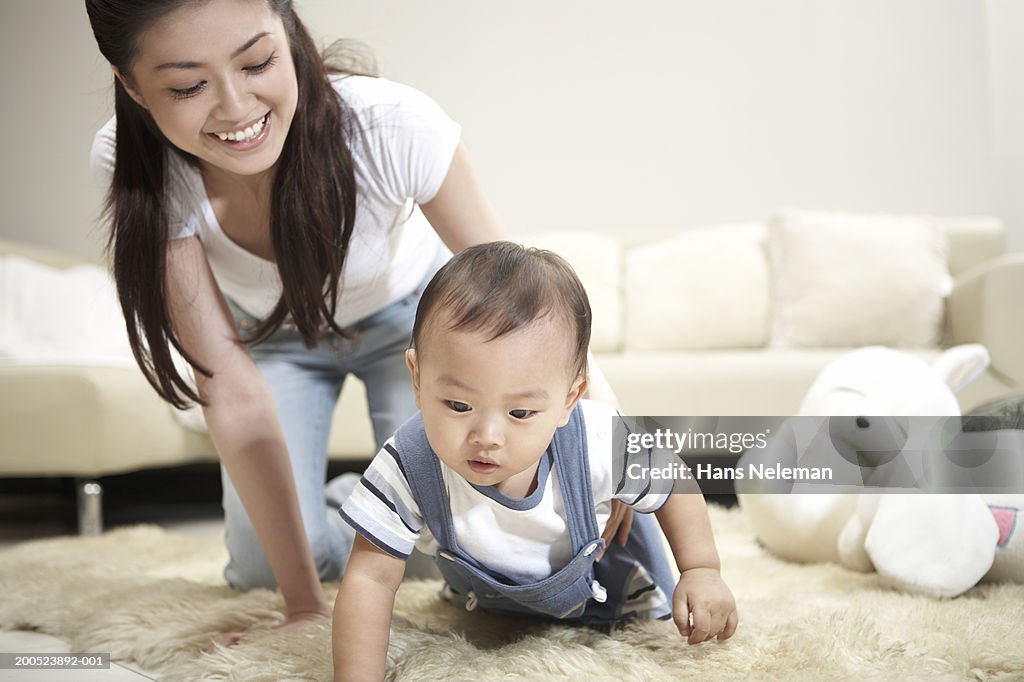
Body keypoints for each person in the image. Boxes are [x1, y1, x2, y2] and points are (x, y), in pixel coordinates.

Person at [84, 0, 625, 641]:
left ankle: (364, 494)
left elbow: (531, 313)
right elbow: (228, 387)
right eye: (188, 86)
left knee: (446, 556)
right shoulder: (134, 161)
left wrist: (615, 446)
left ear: (288, 34)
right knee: (263, 569)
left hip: (415, 329)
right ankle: (360, 496)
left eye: (257, 62)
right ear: (131, 84)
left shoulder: (391, 124)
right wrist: (304, 608)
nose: (234, 108)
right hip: (272, 337)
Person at [333, 242, 738, 680]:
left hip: (610, 594)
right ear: (416, 379)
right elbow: (370, 580)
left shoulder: (597, 439)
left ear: (568, 401)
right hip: (494, 610)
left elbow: (672, 477)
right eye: (457, 405)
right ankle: (354, 498)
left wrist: (701, 569)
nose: (486, 437)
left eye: (520, 414)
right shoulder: (409, 464)